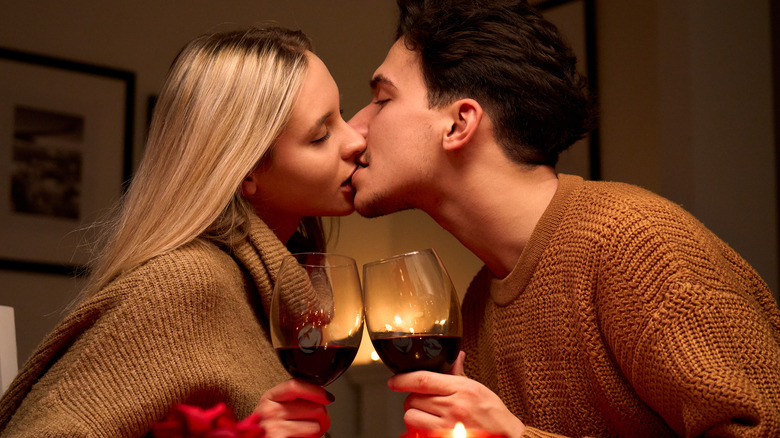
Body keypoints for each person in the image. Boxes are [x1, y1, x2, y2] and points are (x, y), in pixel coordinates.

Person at [347, 0, 780, 437]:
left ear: (459, 123)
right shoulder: (478, 303)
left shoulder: (635, 244)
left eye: (382, 100)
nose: (354, 126)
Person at [0, 26, 365, 437]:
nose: (356, 140)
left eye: (342, 115)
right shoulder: (186, 283)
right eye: (321, 135)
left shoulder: (278, 285)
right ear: (246, 170)